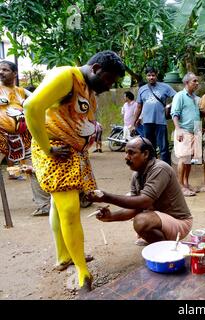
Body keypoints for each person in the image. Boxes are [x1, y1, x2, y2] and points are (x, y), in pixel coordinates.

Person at [24, 50, 126, 293]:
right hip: (56, 152)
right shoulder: (66, 76)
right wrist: (48, 149)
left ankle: (63, 257)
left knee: (58, 207)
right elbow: (31, 106)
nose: (109, 86)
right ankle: (82, 271)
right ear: (97, 68)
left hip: (74, 154)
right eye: (109, 80)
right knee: (70, 209)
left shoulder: (88, 89)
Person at [85, 137, 193, 244]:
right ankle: (158, 242)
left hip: (180, 222)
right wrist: (110, 216)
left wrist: (106, 197)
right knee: (138, 212)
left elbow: (144, 201)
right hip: (162, 219)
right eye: (126, 153)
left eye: (131, 153)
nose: (126, 157)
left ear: (145, 154)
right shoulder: (136, 175)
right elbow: (135, 208)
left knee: (141, 221)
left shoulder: (160, 169)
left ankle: (165, 251)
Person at [134, 67, 177, 165]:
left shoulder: (165, 87)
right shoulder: (142, 89)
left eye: (153, 75)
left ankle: (167, 168)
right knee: (149, 146)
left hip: (160, 122)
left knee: (163, 147)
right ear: (146, 77)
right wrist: (135, 120)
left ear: (156, 75)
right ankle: (151, 167)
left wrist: (169, 105)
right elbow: (139, 106)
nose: (151, 77)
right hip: (147, 122)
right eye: (149, 75)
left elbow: (176, 97)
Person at [0, 60, 32, 181]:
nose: (1, 72)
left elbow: (36, 99)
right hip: (1, 133)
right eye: (0, 69)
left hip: (22, 134)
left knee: (31, 163)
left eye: (5, 70)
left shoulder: (21, 91)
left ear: (15, 74)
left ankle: (39, 198)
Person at [171, 72, 201, 197]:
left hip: (195, 131)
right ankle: (180, 187)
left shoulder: (195, 97)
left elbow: (197, 113)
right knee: (183, 158)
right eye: (194, 81)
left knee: (189, 159)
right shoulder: (179, 96)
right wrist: (178, 129)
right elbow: (175, 114)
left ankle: (186, 183)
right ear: (186, 83)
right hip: (184, 130)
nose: (197, 83)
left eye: (197, 81)